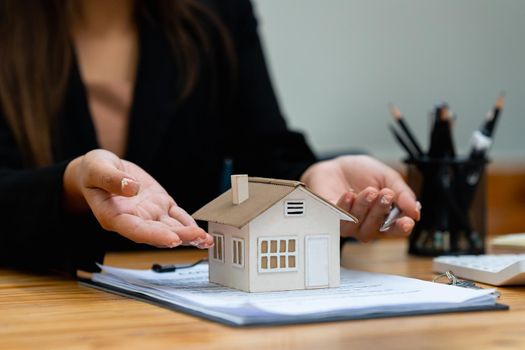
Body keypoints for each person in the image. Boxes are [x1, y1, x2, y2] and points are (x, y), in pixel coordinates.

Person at [0, 0, 420, 275]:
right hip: (35, 301)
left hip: (193, 314)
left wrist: (312, 177)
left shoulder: (218, 12)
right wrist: (71, 183)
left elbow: (266, 153)